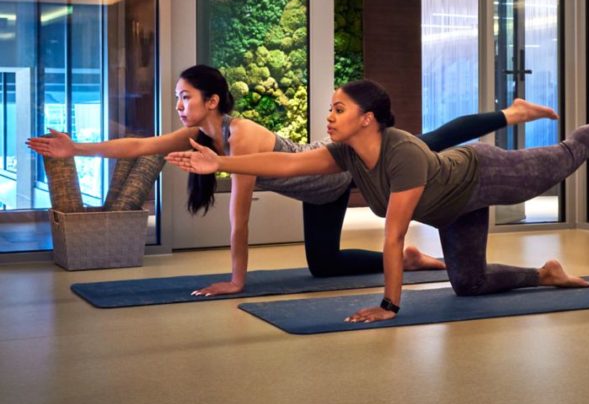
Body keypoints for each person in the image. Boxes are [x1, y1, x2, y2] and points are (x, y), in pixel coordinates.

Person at [167, 79, 589, 323]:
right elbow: (287, 164)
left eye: (339, 109)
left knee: (565, 155)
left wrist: (389, 304)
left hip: (485, 175)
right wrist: (222, 164)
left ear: (368, 118)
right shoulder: (346, 154)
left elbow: (394, 237)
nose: (330, 116)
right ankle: (545, 274)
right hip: (455, 208)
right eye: (330, 108)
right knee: (469, 285)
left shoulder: (402, 155)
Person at [26, 65, 558, 296]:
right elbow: (140, 145)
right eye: (177, 98)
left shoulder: (244, 138)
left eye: (186, 97)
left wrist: (238, 280)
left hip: (326, 177)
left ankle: (510, 114)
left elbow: (241, 218)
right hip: (315, 187)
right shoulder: (200, 136)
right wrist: (78, 148)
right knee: (324, 265)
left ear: (212, 101)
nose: (179, 105)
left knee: (429, 141)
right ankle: (417, 259)